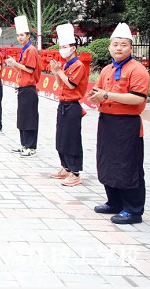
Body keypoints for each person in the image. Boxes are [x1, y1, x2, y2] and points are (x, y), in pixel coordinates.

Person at [88, 23, 149, 224]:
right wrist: (95, 96)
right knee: (107, 163)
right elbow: (97, 91)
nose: (119, 48)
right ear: (109, 47)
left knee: (128, 166)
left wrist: (106, 95)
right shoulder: (107, 69)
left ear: (131, 47)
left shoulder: (137, 70)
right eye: (115, 44)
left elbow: (138, 98)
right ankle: (114, 202)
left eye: (123, 45)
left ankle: (133, 210)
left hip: (127, 125)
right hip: (107, 122)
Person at [49, 23, 89, 187]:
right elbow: (61, 84)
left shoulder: (78, 65)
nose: (62, 49)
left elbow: (72, 85)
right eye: (61, 46)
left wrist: (59, 71)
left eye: (65, 46)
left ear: (73, 48)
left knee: (72, 139)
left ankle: (75, 172)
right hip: (63, 103)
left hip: (72, 105)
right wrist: (56, 72)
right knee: (62, 137)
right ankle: (65, 167)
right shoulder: (67, 65)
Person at [5, 16, 41, 157]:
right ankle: (24, 144)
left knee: (29, 118)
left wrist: (15, 63)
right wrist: (13, 65)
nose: (19, 38)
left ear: (28, 35)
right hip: (23, 88)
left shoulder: (31, 50)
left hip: (29, 88)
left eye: (22, 35)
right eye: (18, 35)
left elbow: (30, 70)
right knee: (23, 118)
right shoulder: (25, 50)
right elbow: (22, 70)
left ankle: (31, 147)